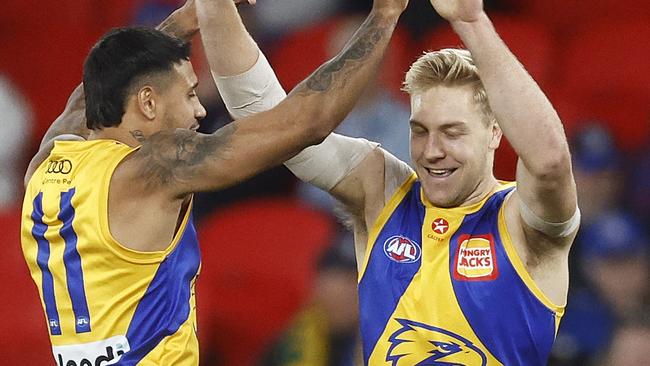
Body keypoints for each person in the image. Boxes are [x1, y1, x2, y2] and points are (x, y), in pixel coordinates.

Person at [19, 0, 409, 364]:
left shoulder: (46, 163)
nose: (200, 108)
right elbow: (306, 123)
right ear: (149, 103)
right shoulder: (156, 167)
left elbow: (90, 95)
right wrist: (384, 15)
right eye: (189, 94)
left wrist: (192, 16)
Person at [212, 0, 580, 364]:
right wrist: (216, 8)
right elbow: (265, 120)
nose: (432, 150)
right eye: (420, 132)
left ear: (494, 133)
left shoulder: (522, 220)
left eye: (452, 133)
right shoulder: (382, 192)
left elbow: (548, 163)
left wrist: (472, 22)